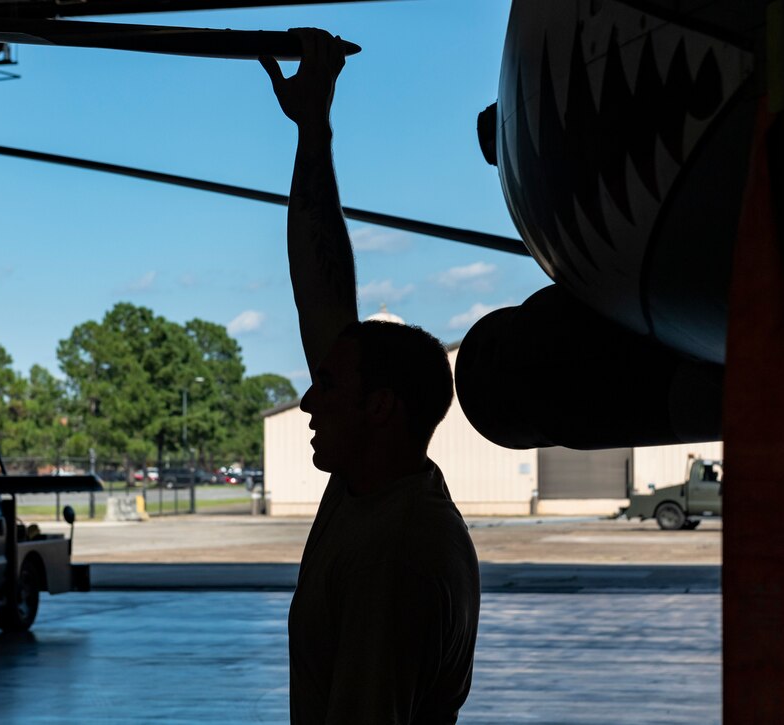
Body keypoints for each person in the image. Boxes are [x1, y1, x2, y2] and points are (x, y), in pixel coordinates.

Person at [261, 29, 481, 724]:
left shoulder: (395, 555)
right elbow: (321, 294)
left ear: (379, 407)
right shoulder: (373, 489)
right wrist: (312, 131)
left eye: (327, 385)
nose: (305, 399)